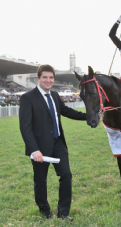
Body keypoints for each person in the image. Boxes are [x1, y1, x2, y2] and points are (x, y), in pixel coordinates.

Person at [19, 64, 86, 220]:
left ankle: (64, 213)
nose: (48, 80)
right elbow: (25, 127)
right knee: (41, 181)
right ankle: (45, 211)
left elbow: (67, 111)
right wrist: (34, 150)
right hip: (40, 148)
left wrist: (87, 117)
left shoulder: (55, 95)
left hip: (58, 143)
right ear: (38, 78)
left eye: (51, 77)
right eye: (45, 77)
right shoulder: (28, 98)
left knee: (66, 175)